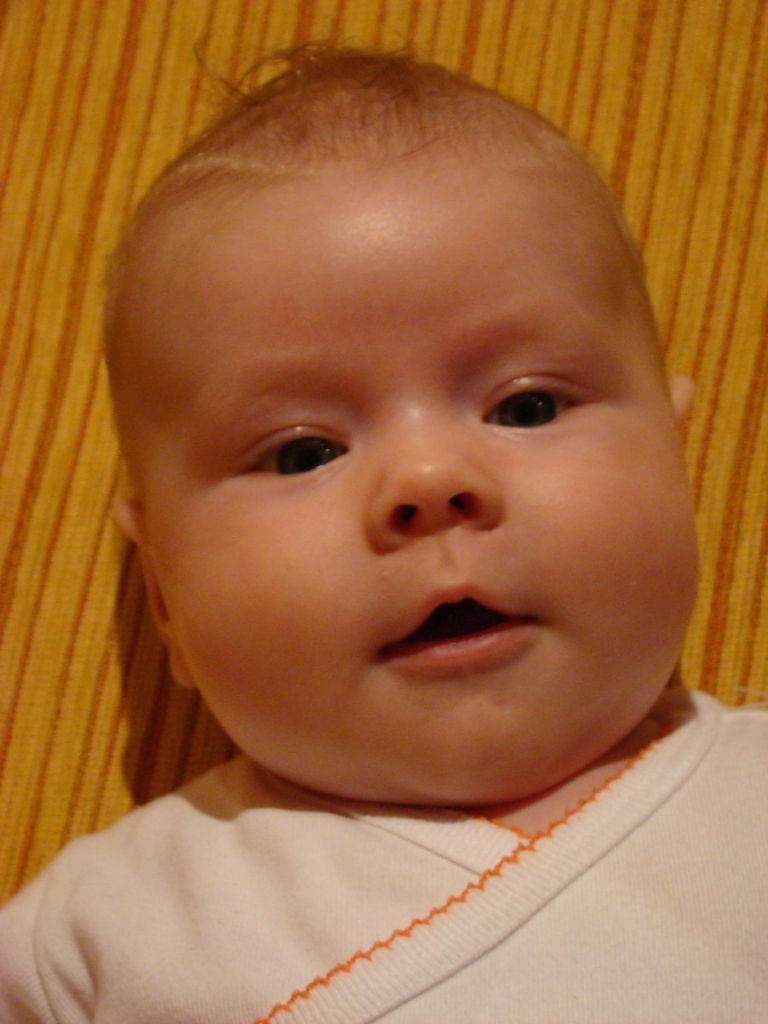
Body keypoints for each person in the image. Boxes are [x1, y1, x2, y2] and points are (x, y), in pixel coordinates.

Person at [1, 44, 765, 1023]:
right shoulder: (105, 930)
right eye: (300, 453)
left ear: (677, 464)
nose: (431, 482)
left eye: (527, 406)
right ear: (164, 595)